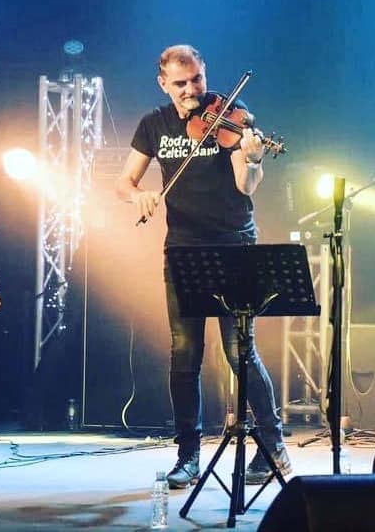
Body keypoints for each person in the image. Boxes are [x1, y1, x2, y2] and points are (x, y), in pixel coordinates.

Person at [115, 44, 290, 489]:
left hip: (234, 244)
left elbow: (245, 185)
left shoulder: (233, 115)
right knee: (184, 353)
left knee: (239, 352)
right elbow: (124, 181)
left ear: (204, 73)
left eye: (196, 79)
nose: (191, 90)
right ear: (163, 84)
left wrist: (254, 159)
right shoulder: (153, 125)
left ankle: (274, 446)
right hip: (183, 250)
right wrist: (139, 196)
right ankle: (188, 455)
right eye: (180, 83)